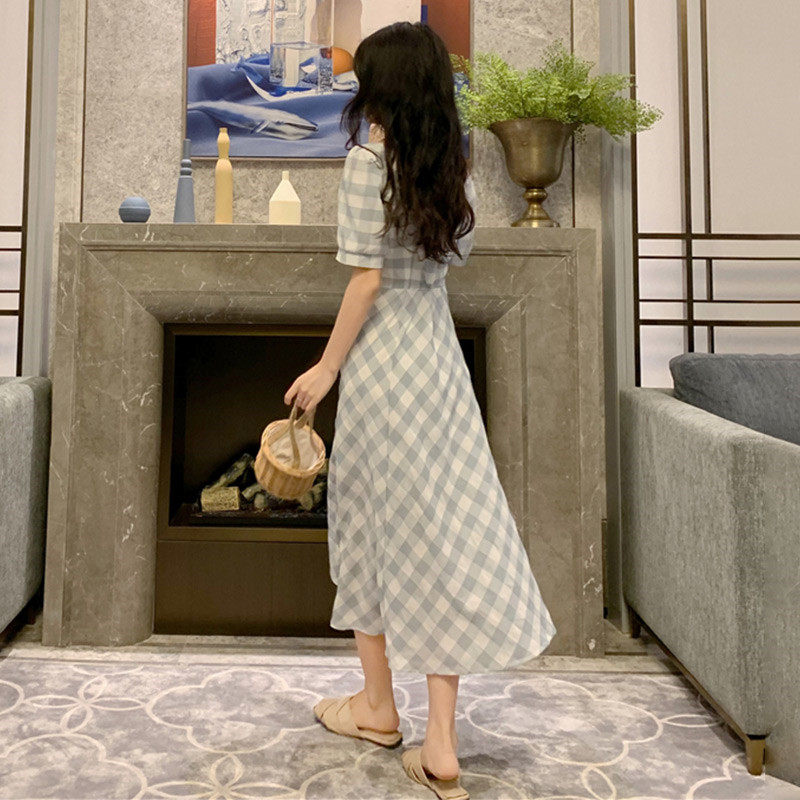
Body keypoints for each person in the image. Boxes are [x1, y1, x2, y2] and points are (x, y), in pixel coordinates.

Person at [284, 21, 557, 800]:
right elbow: (452, 257)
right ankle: (440, 739)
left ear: (385, 87)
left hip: (381, 367)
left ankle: (378, 707)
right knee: (445, 533)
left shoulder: (366, 164)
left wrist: (326, 368)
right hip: (437, 362)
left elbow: (367, 280)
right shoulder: (449, 167)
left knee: (368, 528)